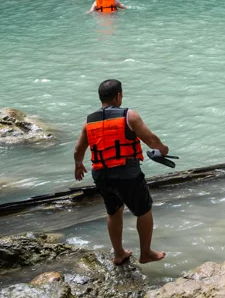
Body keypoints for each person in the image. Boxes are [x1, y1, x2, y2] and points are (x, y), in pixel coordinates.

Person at [73, 79, 170, 266]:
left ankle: (119, 253)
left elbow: (78, 150)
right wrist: (162, 149)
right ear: (118, 96)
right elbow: (151, 140)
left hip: (101, 175)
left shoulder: (89, 121)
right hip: (127, 174)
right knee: (144, 210)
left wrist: (78, 165)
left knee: (114, 210)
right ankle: (146, 253)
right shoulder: (129, 115)